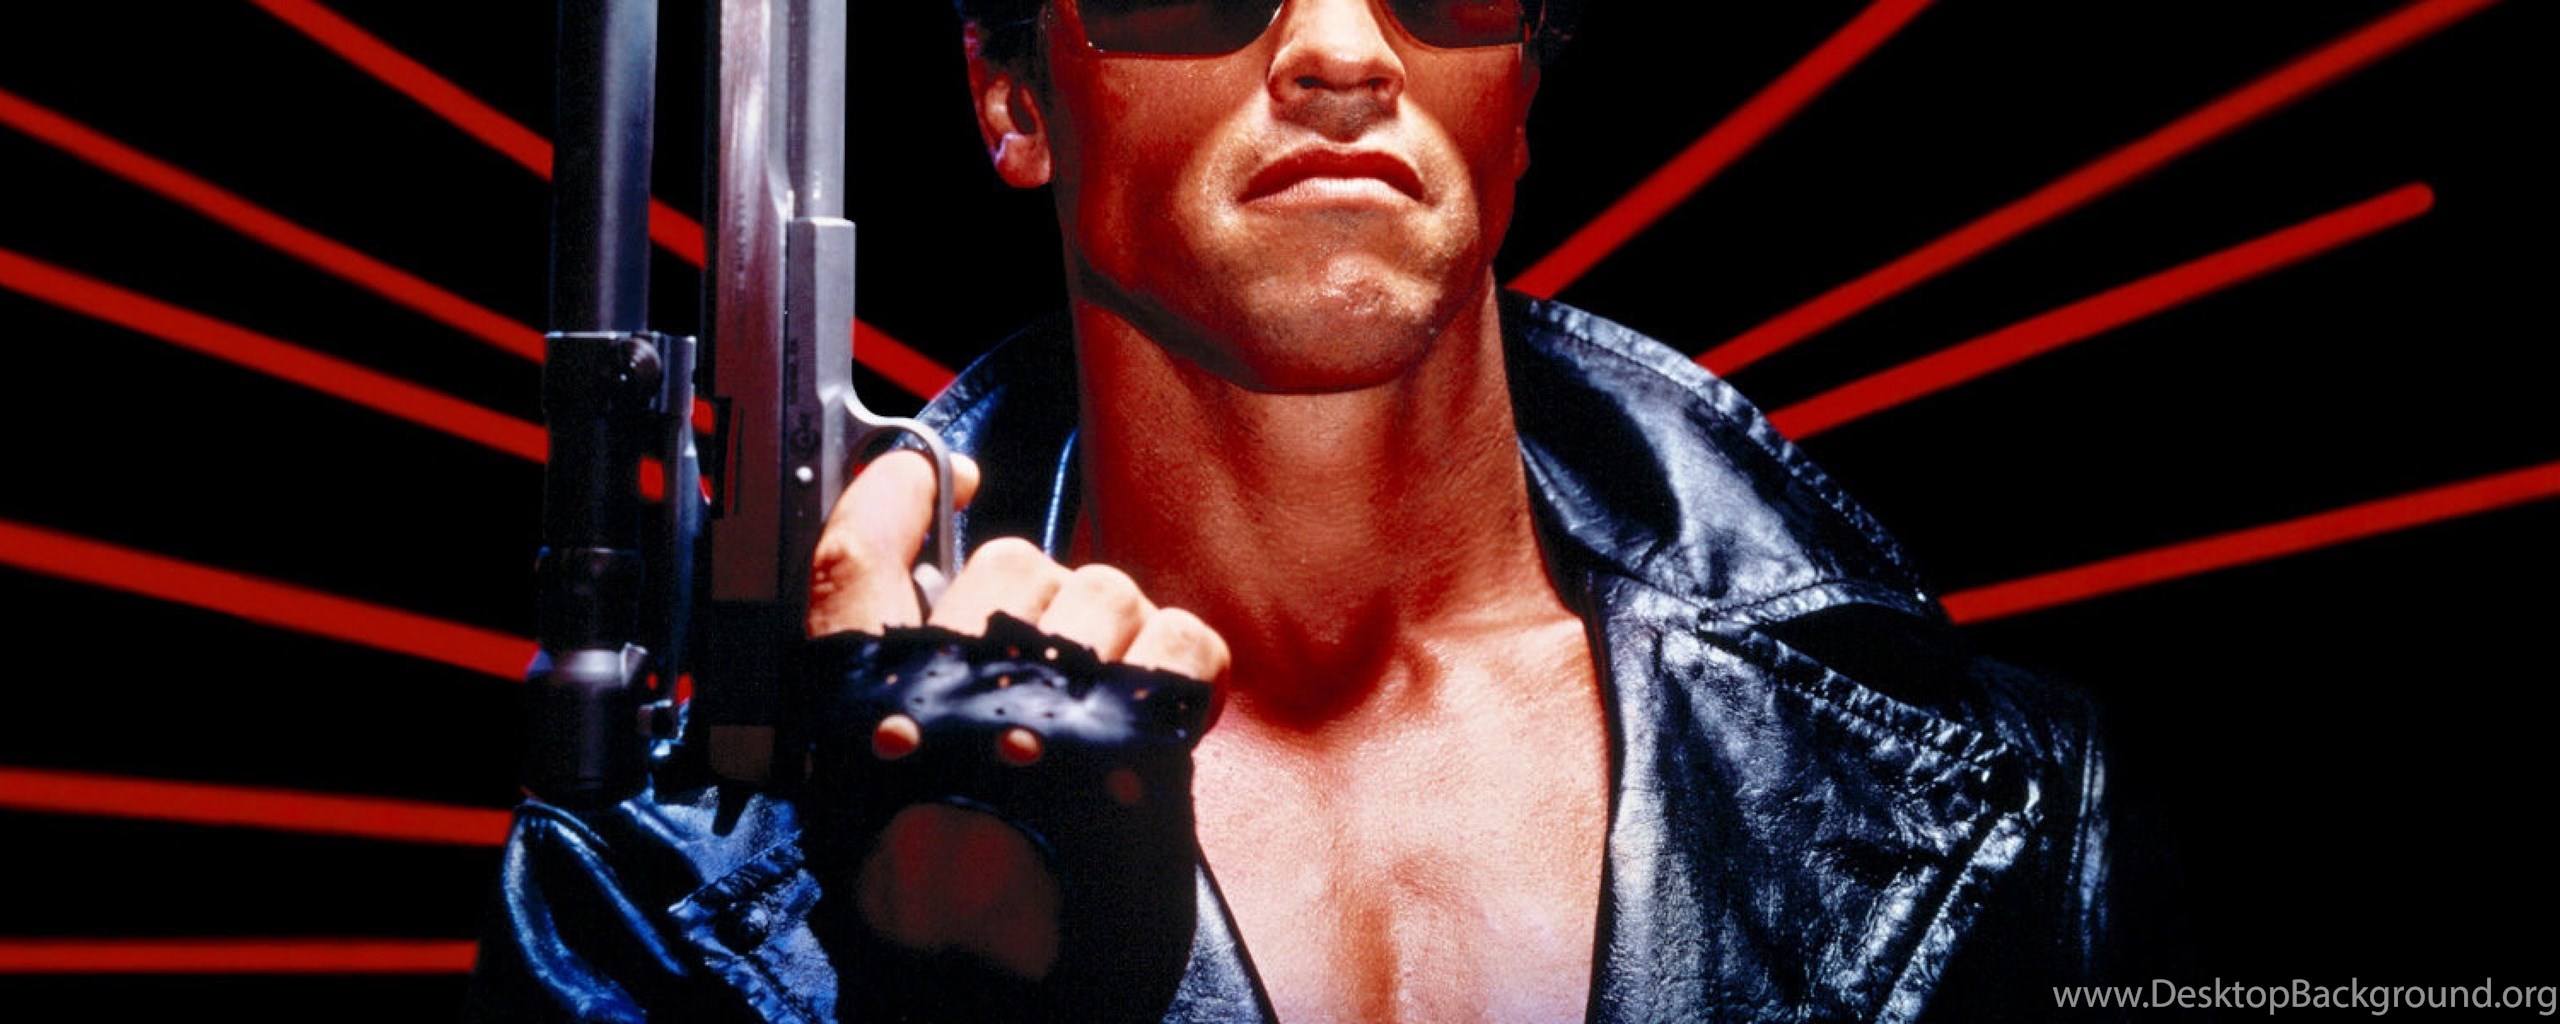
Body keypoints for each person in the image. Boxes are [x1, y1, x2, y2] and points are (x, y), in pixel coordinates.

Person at [472, 1, 2126, 1020]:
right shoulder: (662, 881)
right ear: (1015, 95)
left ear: (1522, 87)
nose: (1342, 51)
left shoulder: (1997, 792)